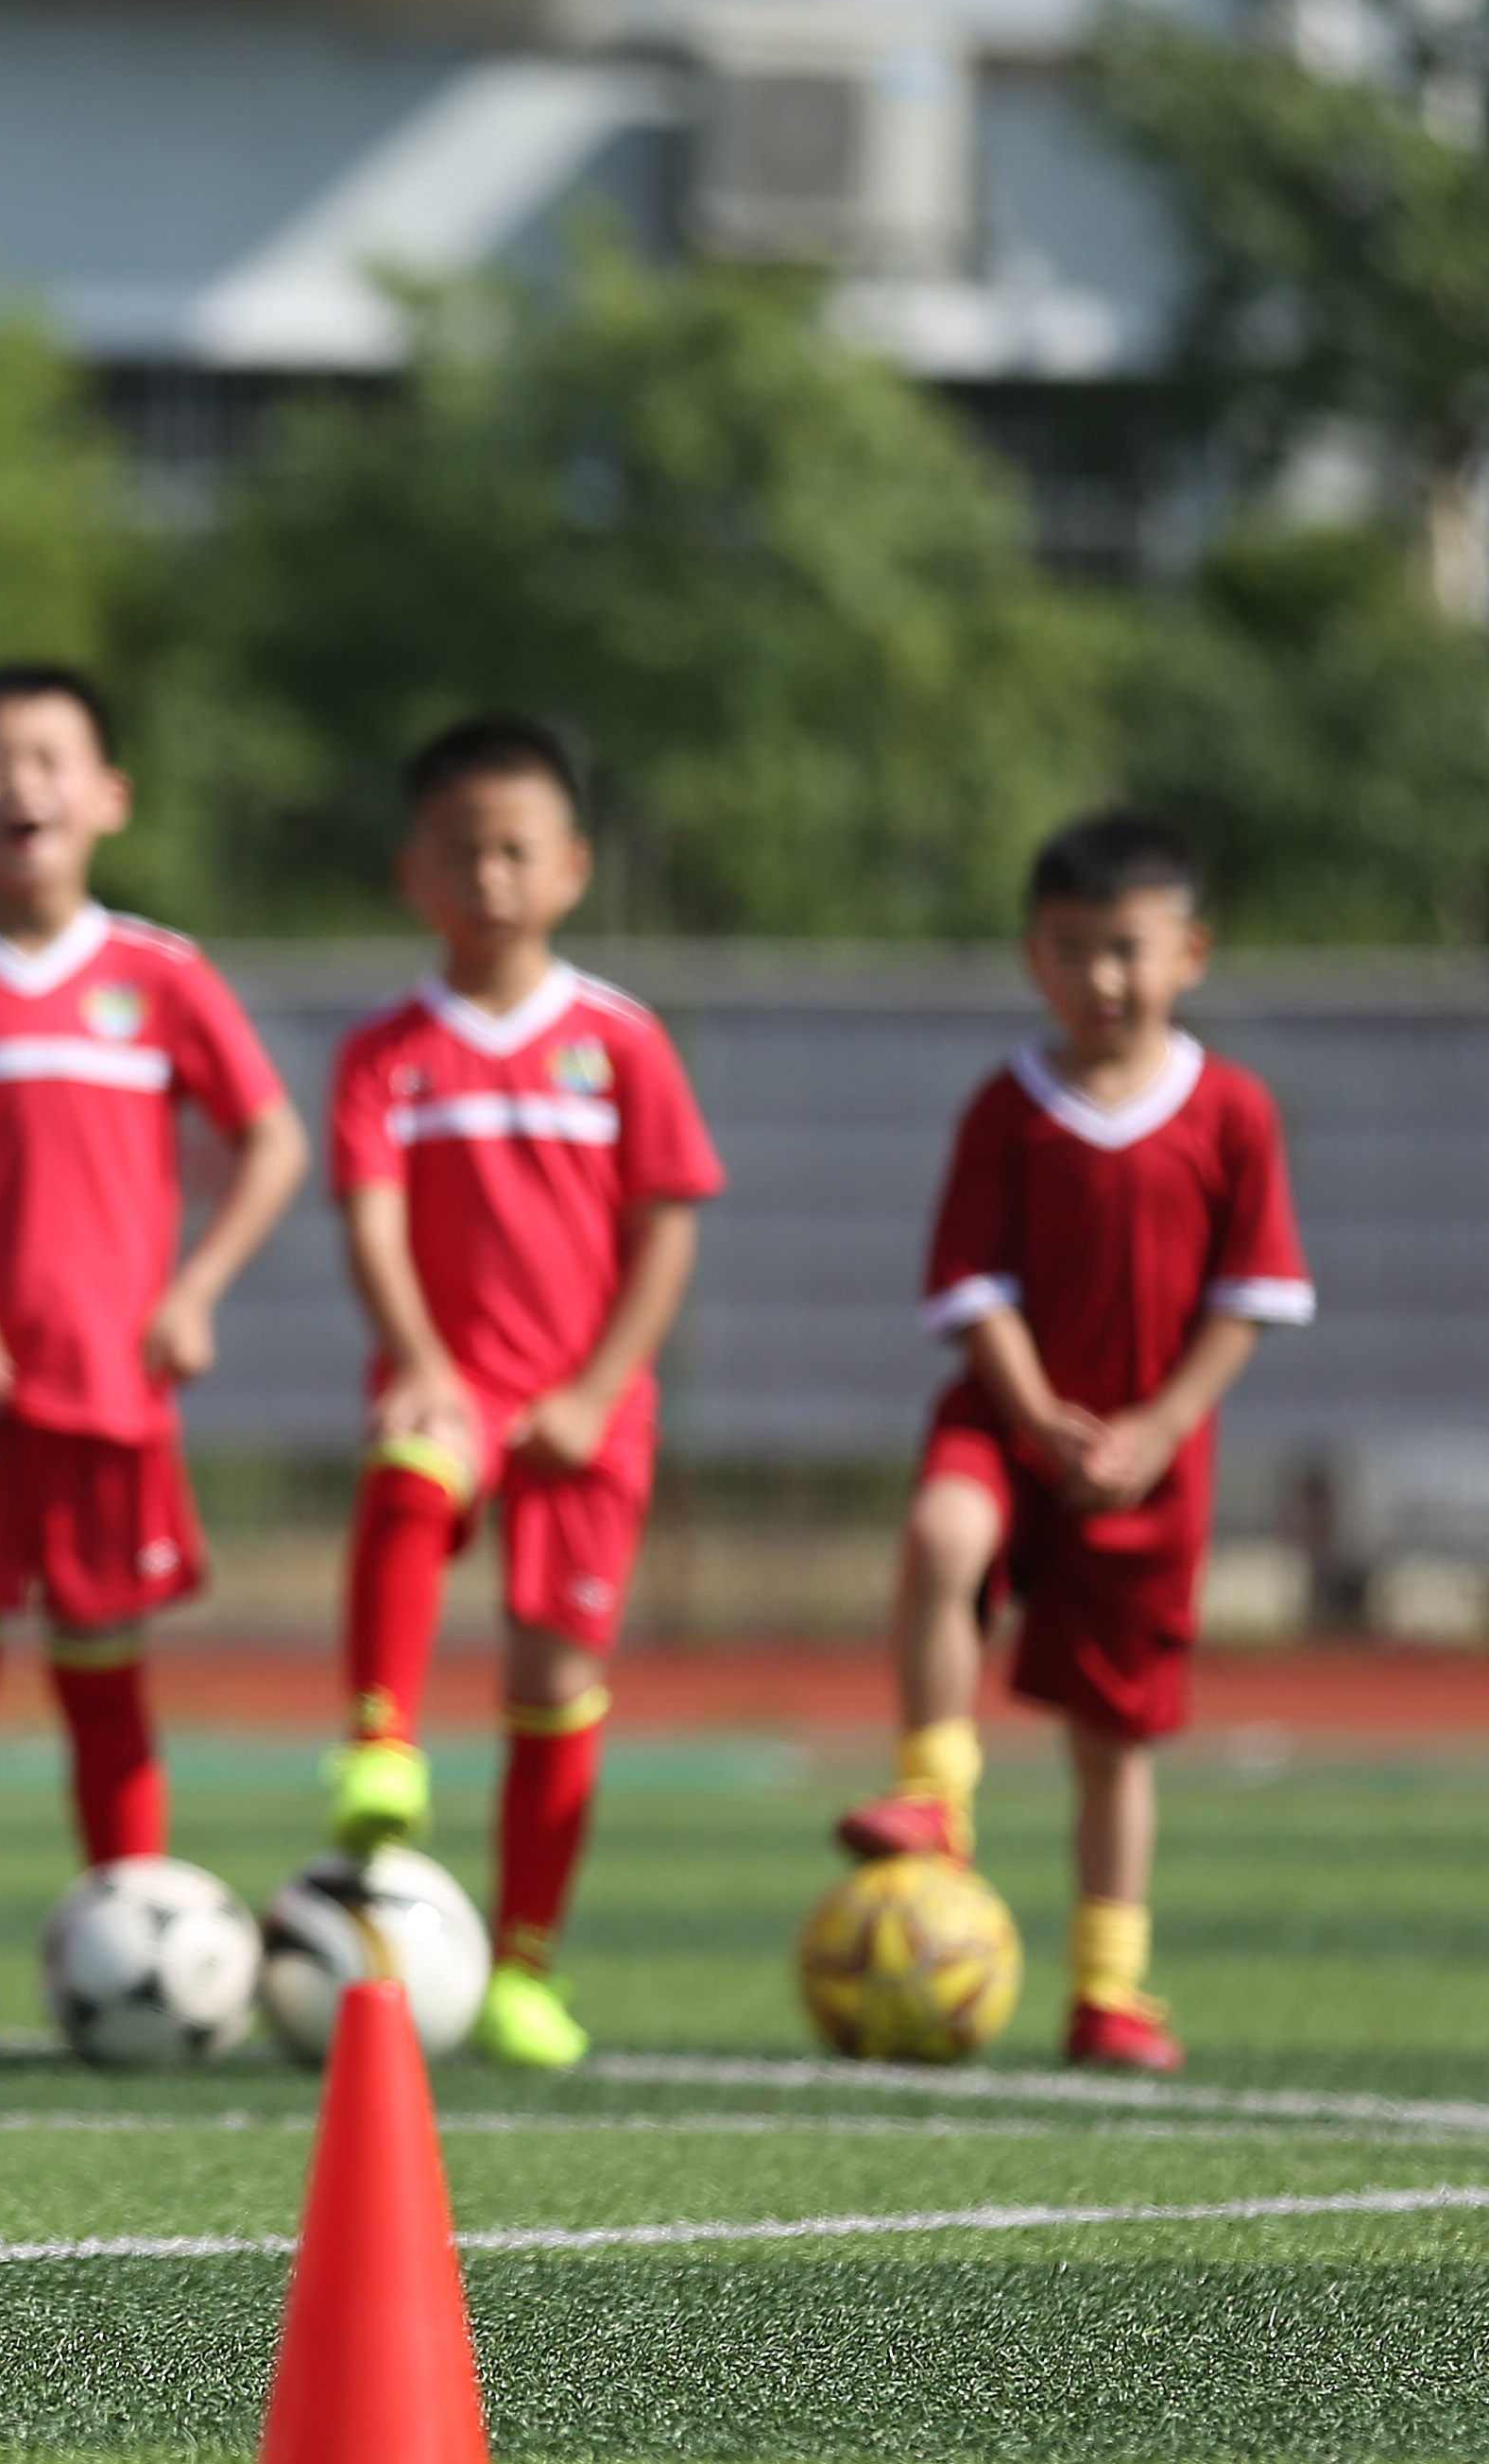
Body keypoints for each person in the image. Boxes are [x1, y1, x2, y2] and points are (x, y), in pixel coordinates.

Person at [0, 664, 307, 2062]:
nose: (20, 782)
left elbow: (274, 1140)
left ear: (108, 796)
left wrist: (197, 1287)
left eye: (49, 757)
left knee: (106, 1682)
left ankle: (141, 1924)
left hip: (110, 1393)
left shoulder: (160, 976)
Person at [837, 813, 1312, 2075]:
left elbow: (1252, 1293)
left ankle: (1108, 1990)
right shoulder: (1010, 1107)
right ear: (1031, 958)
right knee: (944, 1532)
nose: (1103, 978)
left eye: (1128, 949)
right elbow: (971, 1282)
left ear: (1189, 953)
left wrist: (1159, 1425)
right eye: (1071, 949)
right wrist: (1036, 1408)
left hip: (1148, 1466)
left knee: (1115, 1742)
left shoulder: (1232, 1113)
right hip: (1011, 1420)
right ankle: (934, 1795)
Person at [319, 716, 723, 2071]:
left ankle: (527, 1969)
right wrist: (426, 1362)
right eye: (458, 850)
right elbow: (372, 1217)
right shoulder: (387, 1052)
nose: (487, 875)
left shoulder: (620, 1041)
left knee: (559, 1675)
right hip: (458, 1380)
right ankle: (382, 1742)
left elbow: (668, 1223)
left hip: (589, 1404)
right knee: (410, 1467)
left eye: (514, 850)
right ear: (411, 873)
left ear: (571, 869)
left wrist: (602, 1387)